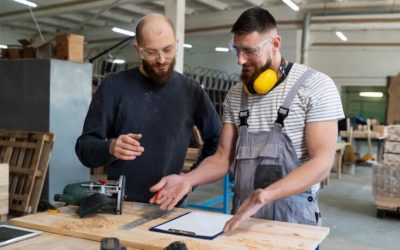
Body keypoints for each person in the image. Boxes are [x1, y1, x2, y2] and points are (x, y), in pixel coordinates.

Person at [150, 7, 344, 232]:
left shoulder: (315, 86)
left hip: (294, 218)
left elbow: (322, 163)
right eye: (237, 50)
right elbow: (222, 157)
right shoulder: (236, 95)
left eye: (249, 51)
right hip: (243, 216)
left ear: (275, 43)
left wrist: (266, 195)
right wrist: (188, 180)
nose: (240, 60)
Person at [75, 14, 221, 204]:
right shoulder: (113, 86)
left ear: (177, 43)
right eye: (151, 52)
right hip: (120, 204)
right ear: (138, 50)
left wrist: (189, 180)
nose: (161, 59)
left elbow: (217, 142)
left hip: (170, 205)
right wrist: (109, 147)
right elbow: (84, 148)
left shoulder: (191, 90)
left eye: (168, 49)